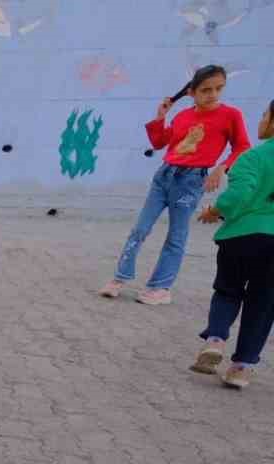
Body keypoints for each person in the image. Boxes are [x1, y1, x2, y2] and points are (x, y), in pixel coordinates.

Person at [99, 64, 252, 306]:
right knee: (140, 229)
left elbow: (242, 146)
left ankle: (161, 288)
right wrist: (161, 117)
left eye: (218, 89)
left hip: (192, 181)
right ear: (192, 92)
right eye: (206, 90)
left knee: (176, 235)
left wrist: (222, 167)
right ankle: (120, 278)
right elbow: (160, 142)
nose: (213, 95)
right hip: (165, 175)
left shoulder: (230, 115)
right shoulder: (183, 116)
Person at [191, 98, 274, 389]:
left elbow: (237, 196)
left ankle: (215, 340)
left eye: (264, 114)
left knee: (227, 291)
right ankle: (241, 367)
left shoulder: (253, 157)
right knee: (264, 303)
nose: (261, 119)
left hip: (241, 238)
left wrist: (214, 211)